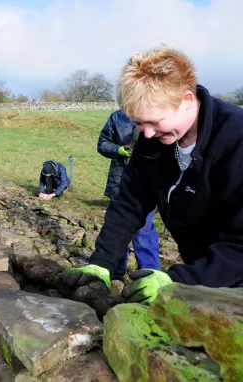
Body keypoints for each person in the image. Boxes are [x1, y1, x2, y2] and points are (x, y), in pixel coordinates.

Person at [60, 46, 243, 304]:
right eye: (138, 123)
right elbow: (129, 203)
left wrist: (179, 281)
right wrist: (102, 263)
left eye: (155, 122)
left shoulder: (236, 139)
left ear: (187, 100)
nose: (146, 134)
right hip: (202, 270)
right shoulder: (153, 142)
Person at [97, 110, 160, 278]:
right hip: (119, 182)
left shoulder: (155, 113)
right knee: (117, 228)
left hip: (147, 181)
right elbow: (102, 143)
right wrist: (118, 150)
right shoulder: (116, 117)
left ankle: (150, 273)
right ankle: (115, 272)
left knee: (144, 229)